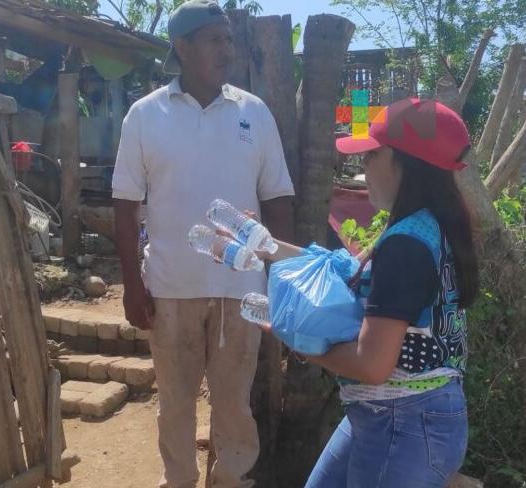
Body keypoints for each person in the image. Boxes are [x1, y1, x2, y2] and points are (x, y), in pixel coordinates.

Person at [112, 1, 296, 486]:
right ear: (183, 45)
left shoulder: (253, 113)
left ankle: (230, 480)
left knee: (235, 403)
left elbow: (278, 199)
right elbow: (125, 207)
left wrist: (282, 279)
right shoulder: (145, 115)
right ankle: (178, 481)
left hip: (242, 290)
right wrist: (133, 286)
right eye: (215, 39)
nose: (226, 49)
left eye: (230, 39)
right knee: (175, 402)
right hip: (170, 287)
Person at [261, 98, 478, 487]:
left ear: (400, 160)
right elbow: (343, 269)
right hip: (398, 414)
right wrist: (262, 244)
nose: (363, 168)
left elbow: (372, 364)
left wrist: (297, 340)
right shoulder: (424, 226)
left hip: (403, 424)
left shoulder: (405, 244)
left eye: (370, 155)